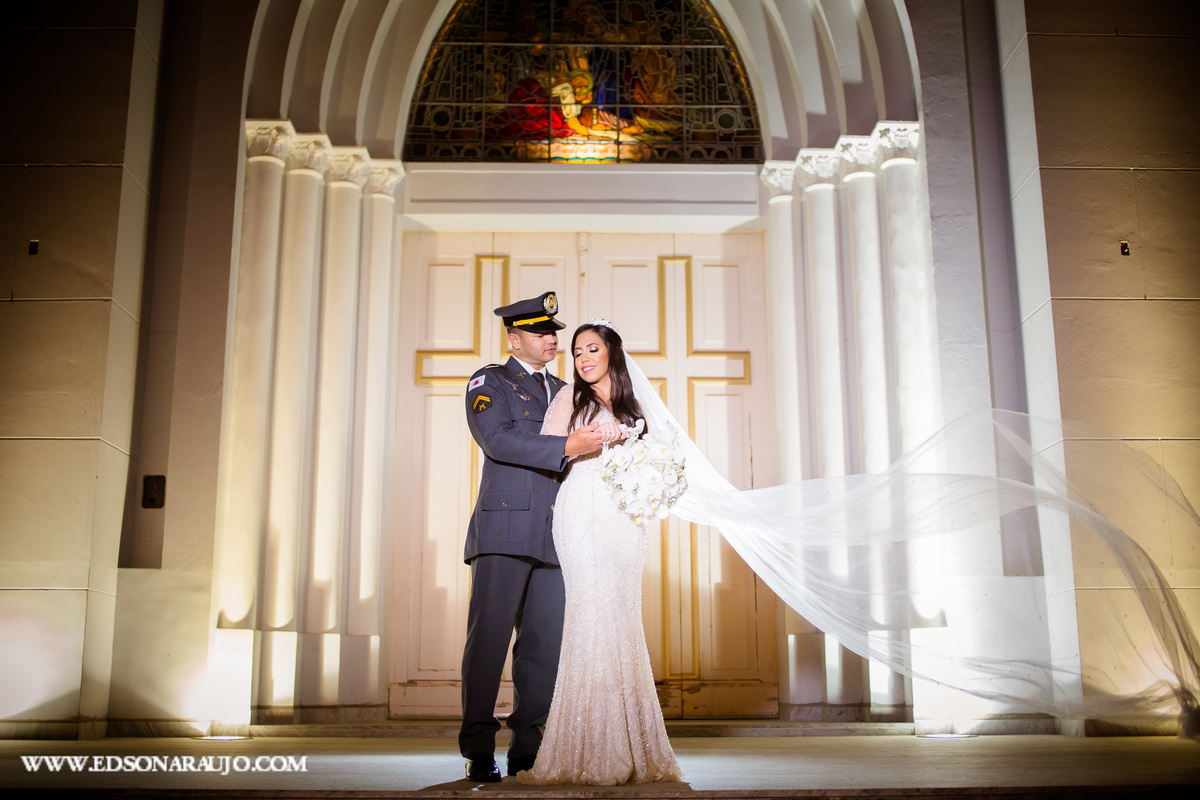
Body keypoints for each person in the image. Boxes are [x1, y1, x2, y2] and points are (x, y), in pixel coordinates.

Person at [521, 319, 685, 786]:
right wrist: (582, 444)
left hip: (624, 519)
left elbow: (661, 458)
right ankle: (583, 746)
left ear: (611, 351)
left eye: (591, 348)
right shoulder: (568, 399)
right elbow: (545, 451)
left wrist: (654, 481)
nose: (583, 358)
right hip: (580, 512)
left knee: (621, 618)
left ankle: (635, 745)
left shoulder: (636, 404)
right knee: (589, 617)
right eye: (576, 353)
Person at [459, 293, 613, 783]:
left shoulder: (570, 390)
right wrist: (566, 445)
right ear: (514, 337)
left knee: (543, 647)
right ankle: (479, 749)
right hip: (505, 529)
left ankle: (528, 749)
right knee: (488, 642)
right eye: (540, 332)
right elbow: (497, 439)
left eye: (554, 332)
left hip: (557, 533)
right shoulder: (492, 380)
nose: (551, 339)